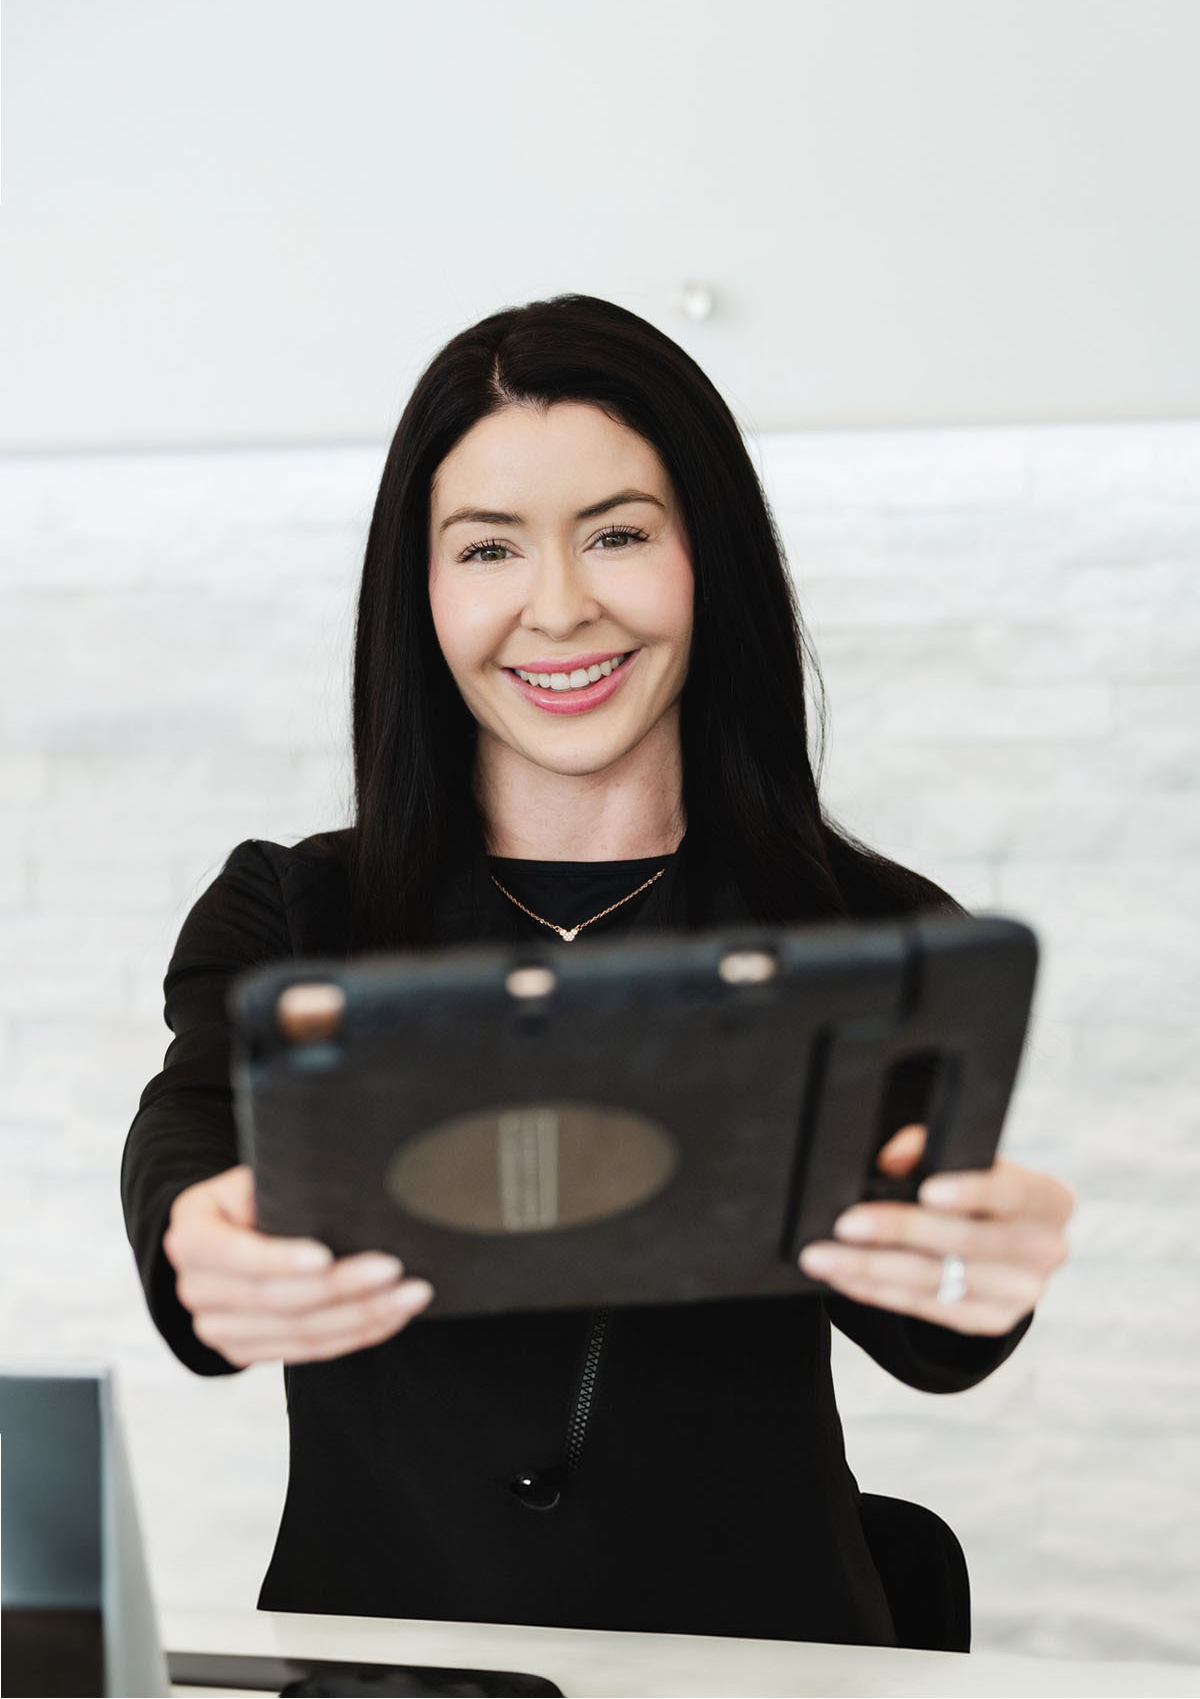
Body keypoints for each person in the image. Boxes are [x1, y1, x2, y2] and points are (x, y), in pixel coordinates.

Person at [121, 294, 1074, 1647]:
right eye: (488, 547)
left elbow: (940, 1335)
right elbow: (191, 1129)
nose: (558, 607)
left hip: (767, 1669)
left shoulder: (861, 930)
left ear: (709, 559)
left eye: (619, 534)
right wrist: (194, 1233)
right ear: (423, 587)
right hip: (393, 1664)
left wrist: (983, 1258)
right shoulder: (294, 910)